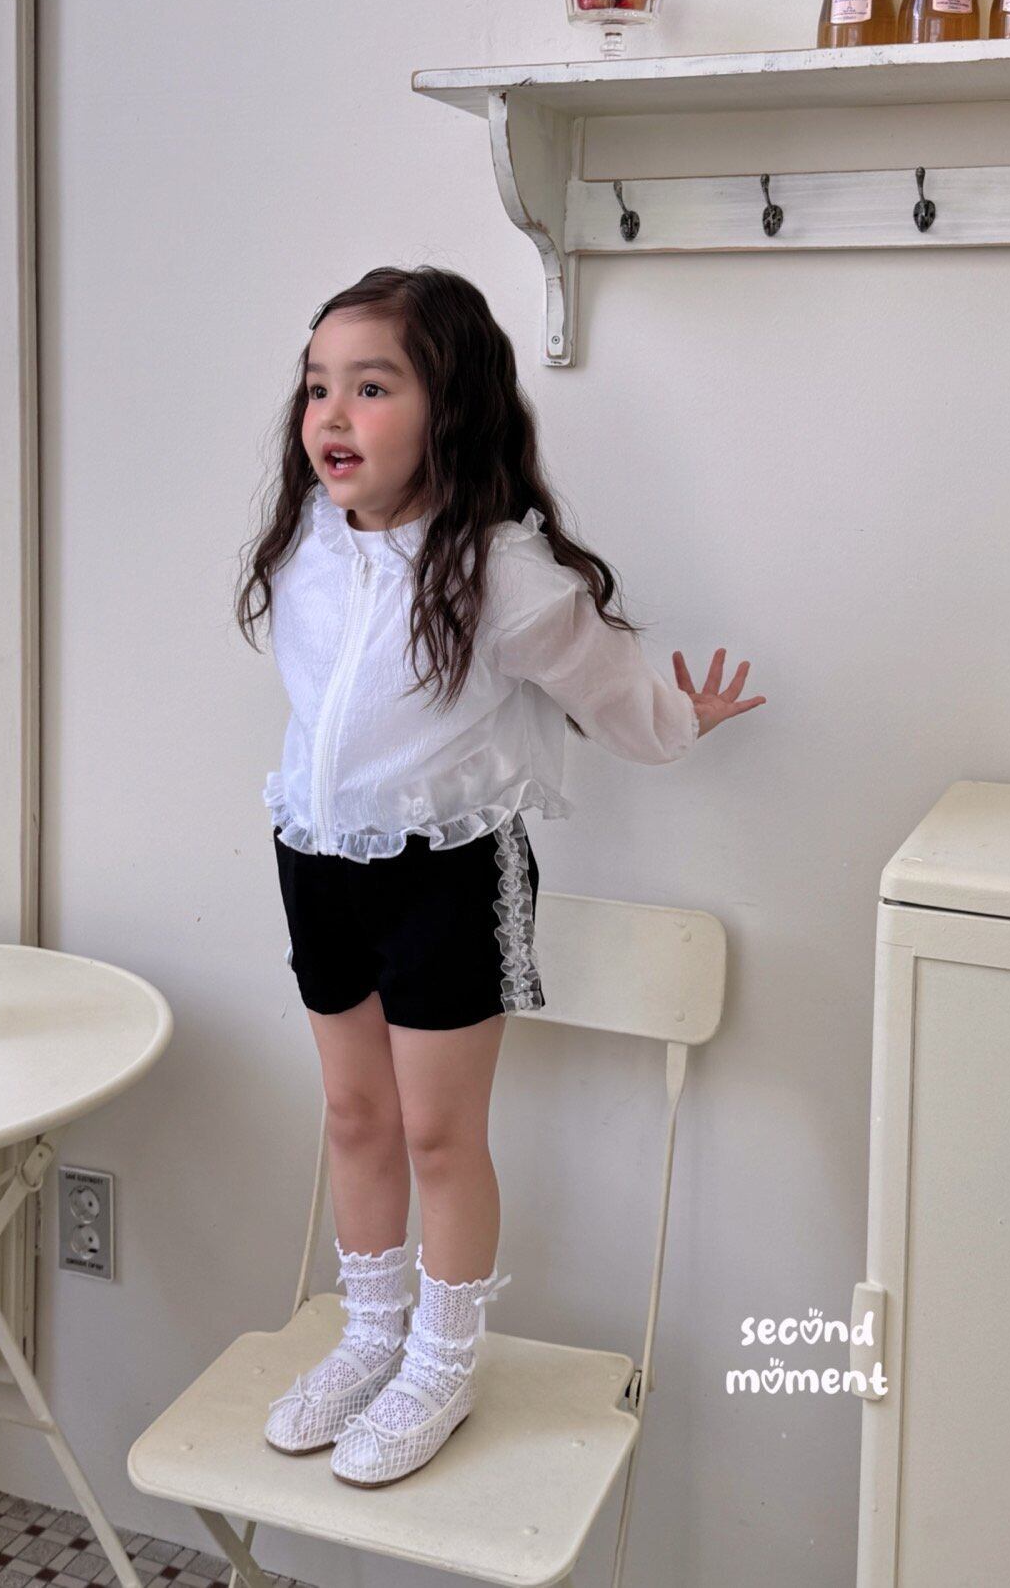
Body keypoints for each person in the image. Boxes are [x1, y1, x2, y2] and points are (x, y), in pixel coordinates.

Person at [234, 265, 765, 1488]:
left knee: (435, 1130)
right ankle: (368, 1335)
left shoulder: (500, 571)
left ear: (451, 406)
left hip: (448, 871)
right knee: (353, 1115)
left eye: (371, 388)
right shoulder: (307, 543)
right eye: (317, 387)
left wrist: (676, 721)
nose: (331, 414)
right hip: (314, 858)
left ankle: (440, 1360)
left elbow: (606, 687)